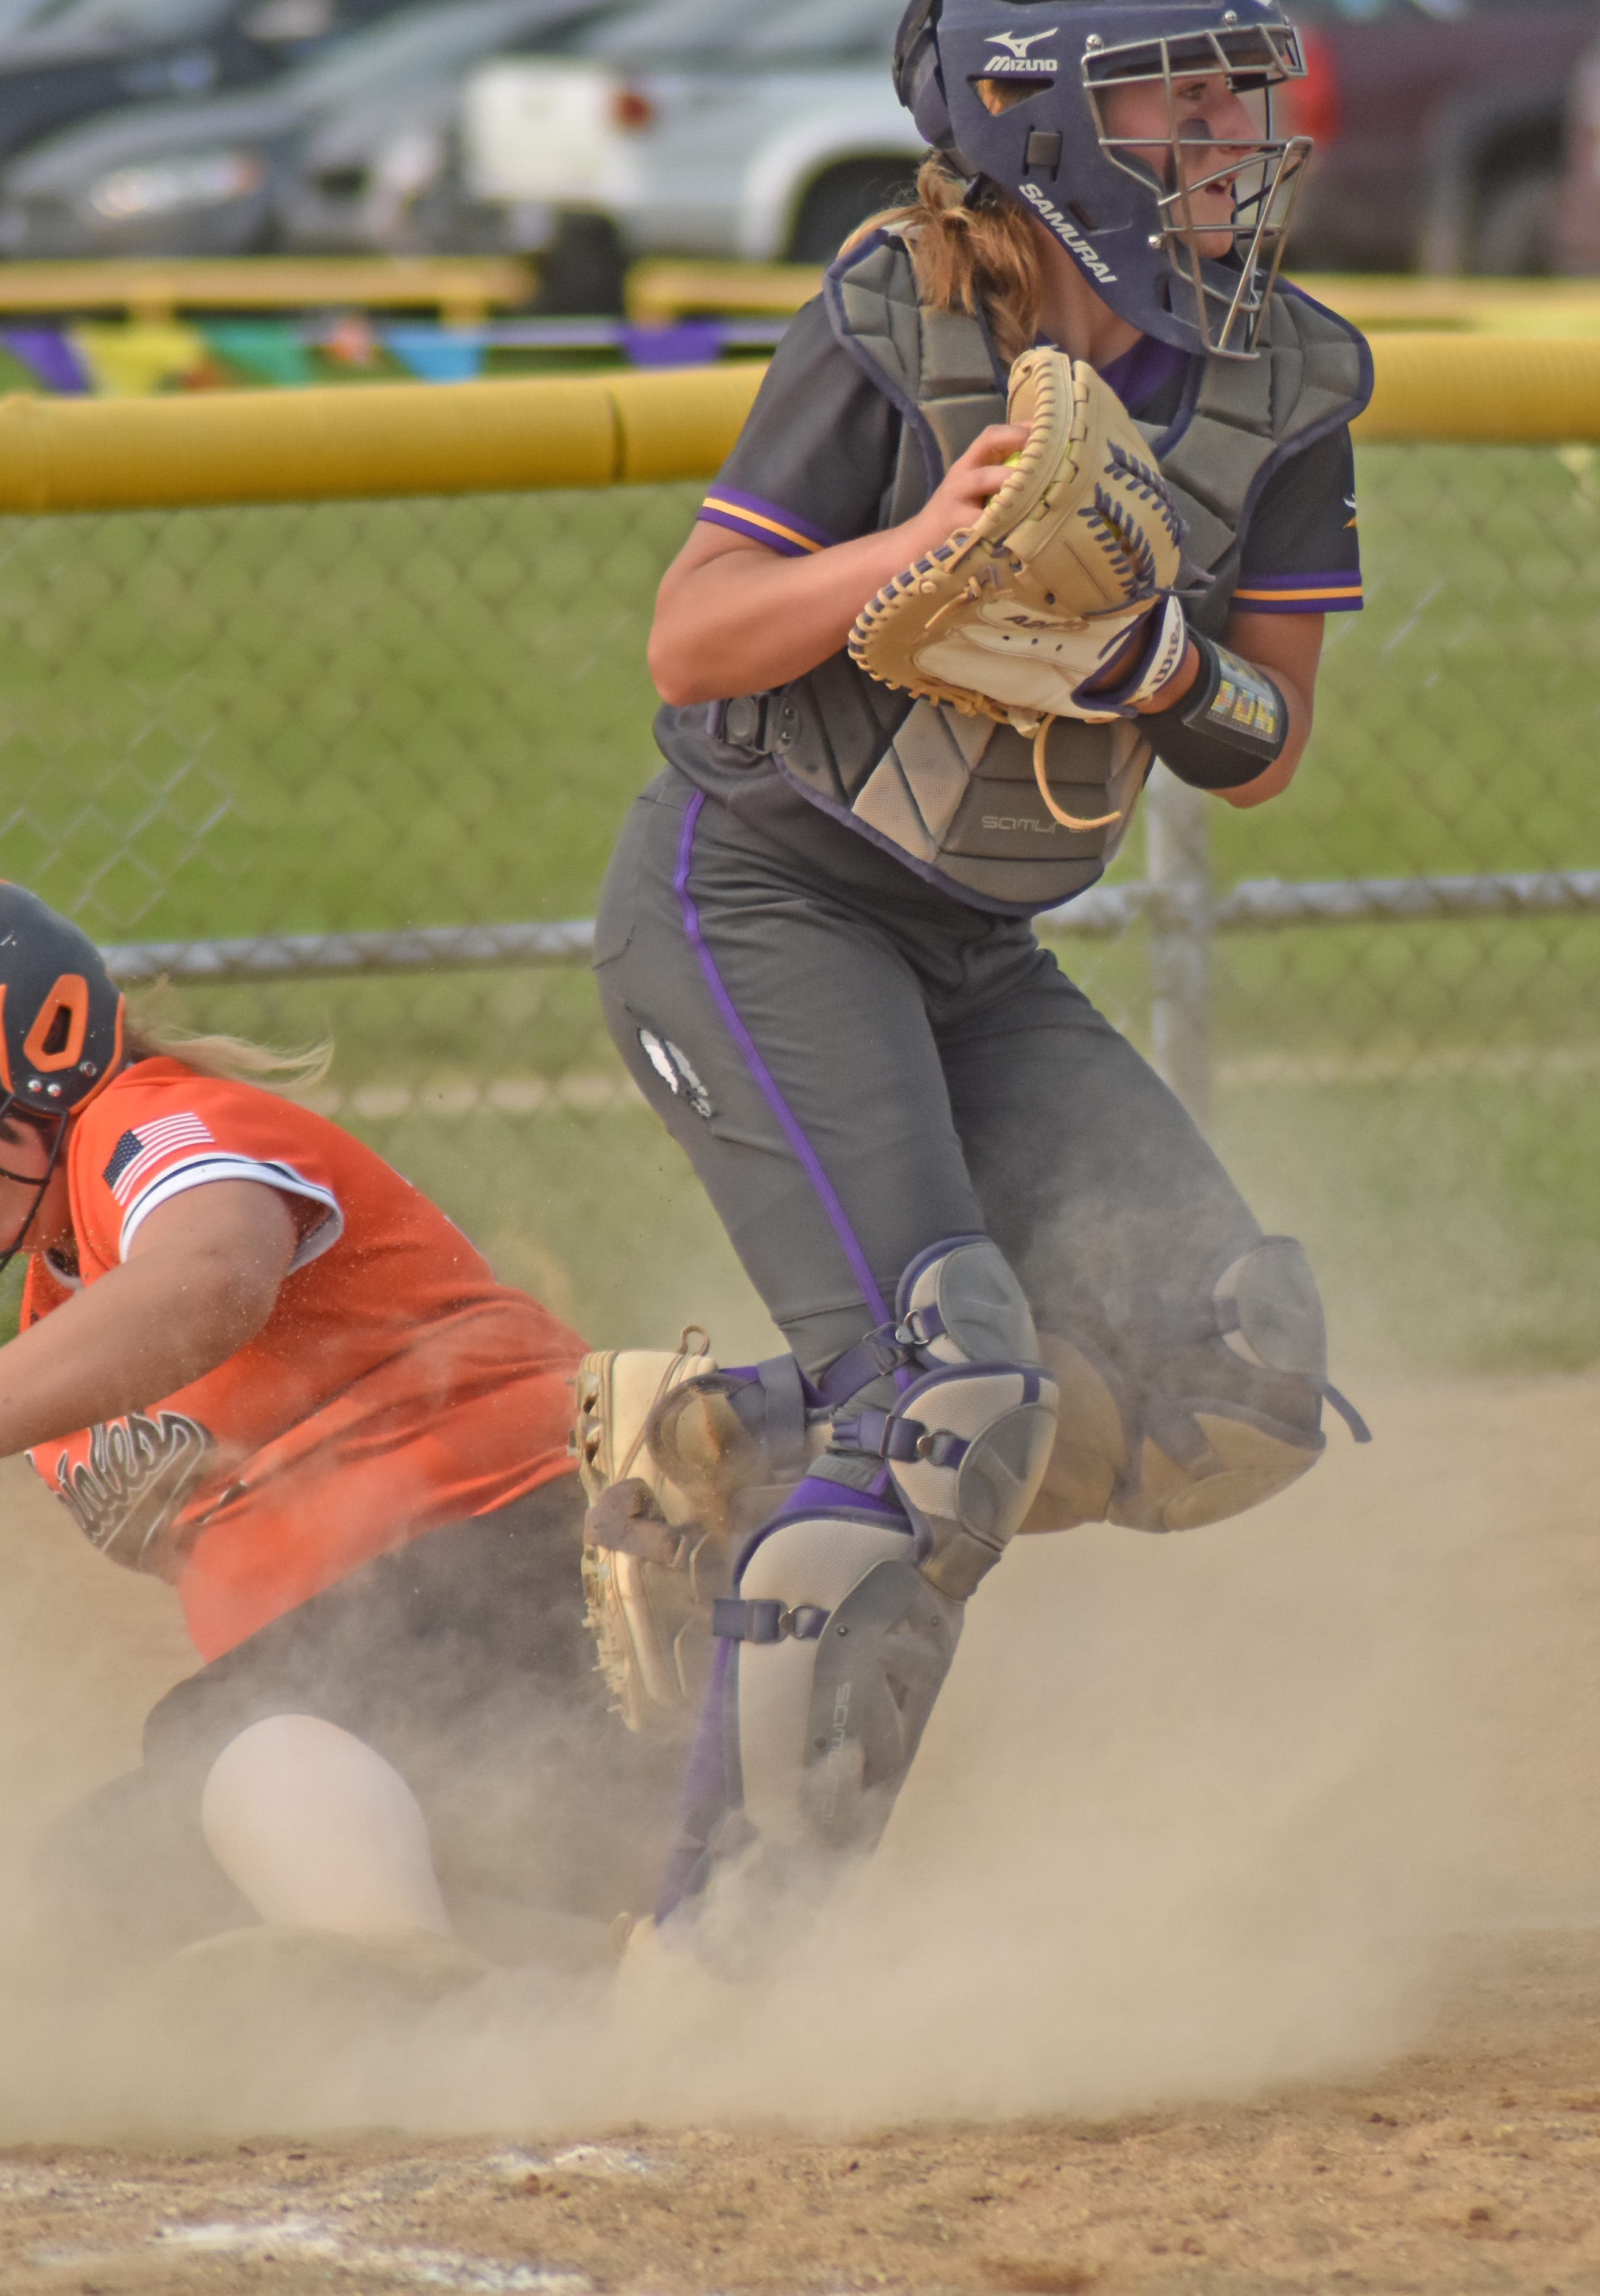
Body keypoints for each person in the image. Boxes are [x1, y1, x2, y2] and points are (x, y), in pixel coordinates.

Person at [593, 0, 1372, 1941]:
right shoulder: (903, 310)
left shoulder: (1276, 371)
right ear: (1032, 112)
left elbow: (1265, 749)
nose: (1228, 127)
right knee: (947, 1405)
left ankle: (720, 1445)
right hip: (761, 901)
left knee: (1234, 1382)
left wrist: (1171, 668)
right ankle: (709, 1949)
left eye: (1233, 87)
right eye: (1172, 89)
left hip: (974, 948)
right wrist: (918, 547)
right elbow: (695, 642)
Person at [0, 875, 670, 1972]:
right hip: (445, 1699)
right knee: (99, 1880)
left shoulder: (144, 1123)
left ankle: (422, 1989)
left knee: (223, 1732)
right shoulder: (62, 1312)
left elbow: (216, 1275)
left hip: (545, 1566)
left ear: (48, 1040)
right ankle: (593, 1963)